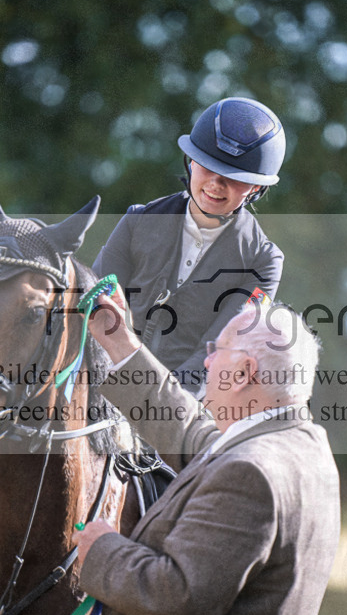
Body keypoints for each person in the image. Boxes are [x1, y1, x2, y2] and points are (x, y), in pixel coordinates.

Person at [74, 289, 340, 615]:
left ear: (246, 372)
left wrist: (102, 550)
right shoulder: (293, 447)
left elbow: (179, 592)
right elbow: (190, 431)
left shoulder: (252, 472)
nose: (208, 360)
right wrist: (121, 342)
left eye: (218, 350)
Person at [92, 96, 287, 395]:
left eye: (234, 178)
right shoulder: (137, 220)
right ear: (192, 161)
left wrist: (154, 400)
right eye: (208, 166)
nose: (216, 184)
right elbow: (93, 306)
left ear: (256, 187)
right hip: (103, 381)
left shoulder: (264, 262)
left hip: (184, 405)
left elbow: (221, 347)